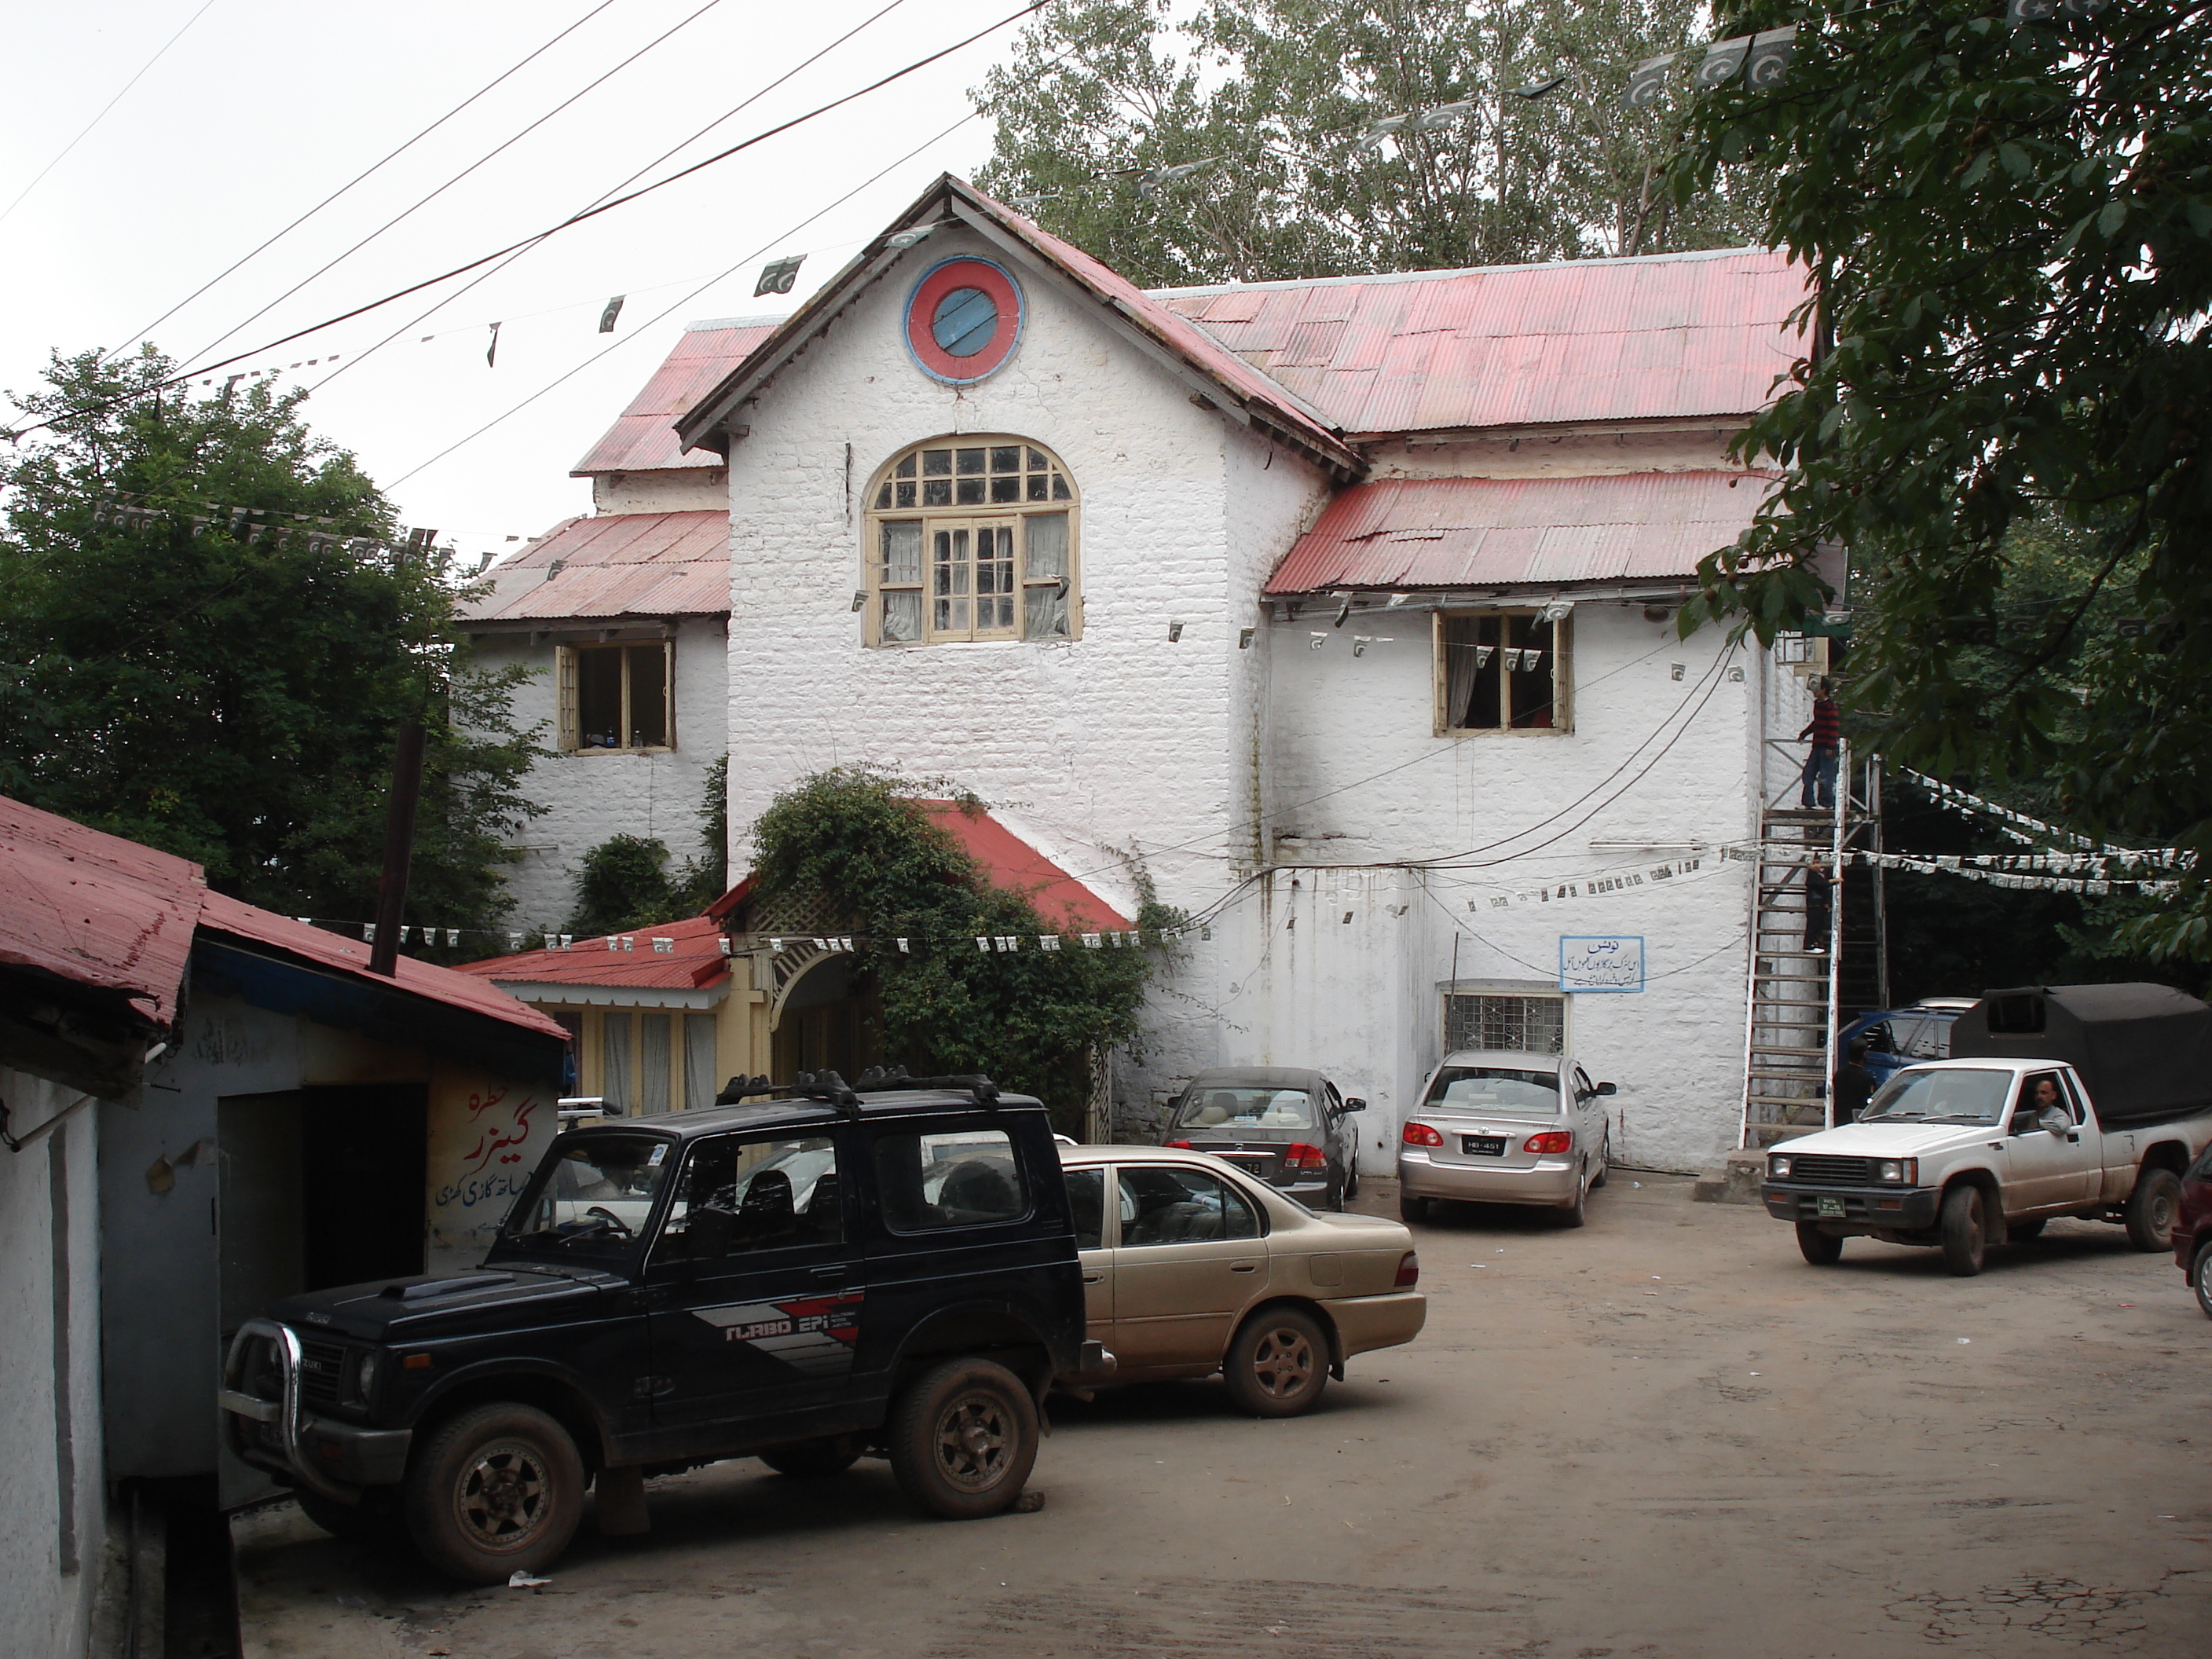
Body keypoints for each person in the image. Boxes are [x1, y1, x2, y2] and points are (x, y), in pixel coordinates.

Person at [1800, 680, 1840, 810]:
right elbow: (1817, 723)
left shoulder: (1830, 706)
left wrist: (1830, 747)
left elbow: (1833, 727)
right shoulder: (1817, 704)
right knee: (1808, 773)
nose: (1814, 692)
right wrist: (1805, 733)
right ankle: (1808, 802)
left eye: (1817, 690)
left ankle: (1826, 803)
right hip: (1817, 746)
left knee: (1825, 775)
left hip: (1826, 746)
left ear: (1824, 690)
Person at [1833, 1038, 1874, 1126]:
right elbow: (1869, 1102)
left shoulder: (1839, 1074)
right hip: (1857, 1122)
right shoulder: (1866, 1078)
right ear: (1864, 1054)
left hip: (1839, 1120)